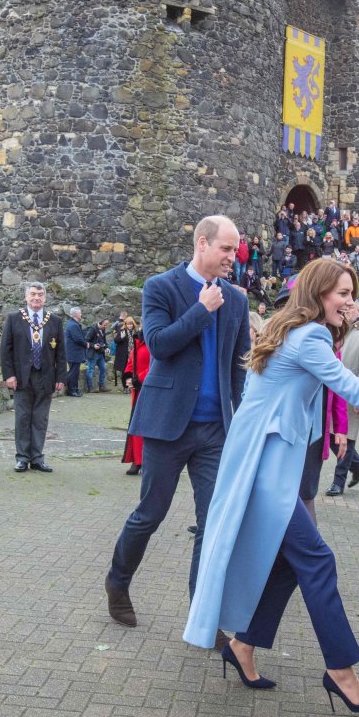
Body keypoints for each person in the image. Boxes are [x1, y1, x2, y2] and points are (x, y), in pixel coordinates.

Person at [182, 258, 359, 710]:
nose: (350, 304)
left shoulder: (290, 329)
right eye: (343, 294)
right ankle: (341, 671)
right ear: (318, 294)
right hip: (265, 470)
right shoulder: (310, 336)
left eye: (352, 295)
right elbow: (358, 393)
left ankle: (243, 646)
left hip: (261, 463)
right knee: (317, 560)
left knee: (289, 563)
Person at [105, 215, 251, 636]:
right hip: (167, 424)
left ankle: (203, 615)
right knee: (150, 513)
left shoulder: (236, 300)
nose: (233, 256)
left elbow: (239, 365)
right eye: (226, 248)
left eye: (235, 249)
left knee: (212, 524)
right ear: (202, 243)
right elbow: (159, 344)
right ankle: (118, 580)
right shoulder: (161, 287)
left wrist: (240, 417)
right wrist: (201, 310)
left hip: (214, 430)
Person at [0, 282, 67, 472]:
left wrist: (61, 377)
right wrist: (9, 375)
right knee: (22, 418)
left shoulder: (54, 321)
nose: (36, 297)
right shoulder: (14, 318)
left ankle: (37, 458)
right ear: (26, 297)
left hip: (46, 377)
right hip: (21, 377)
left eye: (40, 294)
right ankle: (22, 458)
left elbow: (61, 352)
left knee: (40, 419)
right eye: (33, 294)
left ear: (45, 298)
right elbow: (5, 350)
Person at [326, 301, 359, 496]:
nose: (347, 310)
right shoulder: (338, 329)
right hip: (334, 393)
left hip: (353, 393)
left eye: (351, 307)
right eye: (344, 307)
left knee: (348, 437)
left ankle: (338, 481)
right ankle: (358, 465)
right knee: (330, 435)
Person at [121, 319, 149, 476]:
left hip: (150, 389)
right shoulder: (138, 342)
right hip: (137, 390)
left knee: (148, 426)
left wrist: (139, 379)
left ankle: (147, 460)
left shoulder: (154, 342)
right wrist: (128, 378)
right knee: (136, 425)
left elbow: (157, 365)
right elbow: (132, 361)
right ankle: (137, 459)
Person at [62, 307, 87, 397]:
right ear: (76, 314)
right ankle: (71, 390)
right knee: (73, 372)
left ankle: (75, 389)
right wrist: (86, 344)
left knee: (75, 372)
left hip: (74, 352)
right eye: (80, 313)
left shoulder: (72, 324)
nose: (81, 314)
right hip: (74, 352)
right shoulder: (73, 325)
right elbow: (78, 339)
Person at [84, 318, 110, 393]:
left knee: (103, 369)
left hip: (100, 353)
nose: (105, 327)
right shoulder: (92, 329)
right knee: (90, 369)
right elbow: (85, 340)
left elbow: (104, 341)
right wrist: (93, 345)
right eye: (104, 325)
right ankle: (90, 388)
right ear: (100, 323)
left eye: (106, 325)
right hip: (93, 353)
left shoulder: (103, 329)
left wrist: (107, 347)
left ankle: (101, 386)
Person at [112, 315, 132, 393]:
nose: (130, 326)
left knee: (131, 371)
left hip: (132, 355)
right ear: (125, 324)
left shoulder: (135, 332)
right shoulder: (122, 331)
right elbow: (116, 341)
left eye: (131, 324)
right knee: (125, 371)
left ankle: (131, 386)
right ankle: (125, 387)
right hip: (124, 355)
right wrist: (121, 337)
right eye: (128, 324)